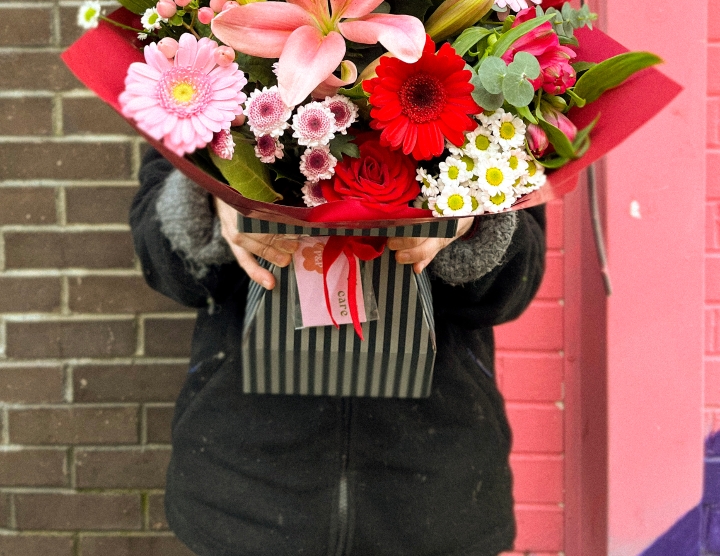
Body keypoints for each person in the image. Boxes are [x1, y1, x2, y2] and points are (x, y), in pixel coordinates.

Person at [130, 148, 545, 556]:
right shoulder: (205, 88)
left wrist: (475, 219)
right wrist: (210, 198)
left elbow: (512, 290)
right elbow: (164, 264)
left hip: (437, 493)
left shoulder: (491, 86)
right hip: (245, 492)